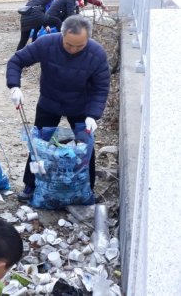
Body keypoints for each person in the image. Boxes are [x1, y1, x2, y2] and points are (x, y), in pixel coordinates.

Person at [6, 15, 110, 201]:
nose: (73, 50)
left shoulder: (97, 54)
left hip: (80, 107)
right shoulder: (46, 43)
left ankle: (87, 188)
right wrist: (14, 86)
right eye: (69, 44)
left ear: (88, 39)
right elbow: (16, 61)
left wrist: (93, 115)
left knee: (86, 147)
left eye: (79, 46)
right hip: (50, 101)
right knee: (39, 144)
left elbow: (101, 88)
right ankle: (31, 184)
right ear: (62, 35)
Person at [16, 0, 80, 51]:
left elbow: (41, 10)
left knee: (23, 41)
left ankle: (17, 59)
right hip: (34, 13)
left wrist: (46, 24)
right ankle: (65, 45)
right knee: (57, 21)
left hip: (25, 15)